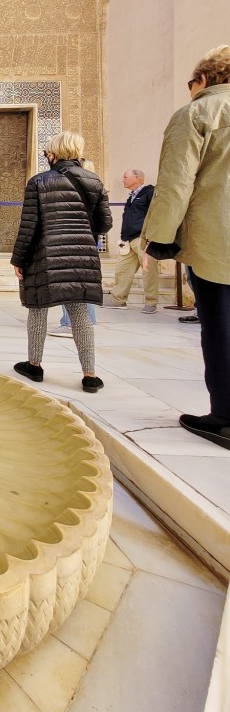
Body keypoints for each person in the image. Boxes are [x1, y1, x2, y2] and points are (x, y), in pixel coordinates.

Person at [142, 45, 230, 450]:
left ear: (205, 79)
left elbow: (176, 182)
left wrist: (158, 238)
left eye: (190, 84)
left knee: (220, 327)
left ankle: (225, 417)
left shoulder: (198, 113)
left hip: (218, 241)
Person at [11, 131, 112, 392]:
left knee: (38, 308)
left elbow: (29, 226)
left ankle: (34, 365)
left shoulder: (38, 182)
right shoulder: (94, 181)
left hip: (45, 254)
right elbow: (105, 222)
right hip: (81, 254)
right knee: (79, 311)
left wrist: (19, 258)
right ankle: (89, 374)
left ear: (53, 153)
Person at [50, 157, 100, 337]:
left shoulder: (72, 187)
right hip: (90, 238)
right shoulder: (95, 186)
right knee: (86, 282)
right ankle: (87, 321)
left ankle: (70, 323)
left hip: (73, 238)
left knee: (68, 280)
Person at [102, 169, 160, 313]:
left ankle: (151, 303)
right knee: (122, 270)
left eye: (125, 177)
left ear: (138, 178)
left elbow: (156, 215)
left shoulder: (149, 193)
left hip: (143, 239)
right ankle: (118, 299)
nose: (123, 180)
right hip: (128, 240)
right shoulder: (132, 197)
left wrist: (151, 236)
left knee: (148, 271)